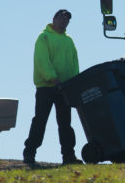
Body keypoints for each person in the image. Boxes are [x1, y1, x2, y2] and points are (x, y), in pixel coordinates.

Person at [23, 9, 82, 166]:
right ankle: (29, 153)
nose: (64, 22)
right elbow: (42, 62)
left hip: (65, 88)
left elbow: (74, 62)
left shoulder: (69, 41)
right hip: (46, 88)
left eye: (67, 20)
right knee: (40, 121)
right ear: (54, 19)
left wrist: (75, 82)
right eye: (62, 18)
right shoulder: (43, 38)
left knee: (65, 124)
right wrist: (54, 79)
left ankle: (69, 156)